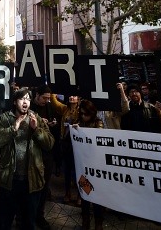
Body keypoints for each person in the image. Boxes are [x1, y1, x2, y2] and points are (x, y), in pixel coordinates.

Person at [0, 87, 54, 230]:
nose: (25, 102)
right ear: (14, 102)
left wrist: (36, 130)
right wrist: (13, 128)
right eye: (22, 99)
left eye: (28, 99)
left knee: (28, 223)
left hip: (31, 181)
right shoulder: (5, 119)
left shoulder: (36, 118)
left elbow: (49, 144)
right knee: (4, 222)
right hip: (10, 180)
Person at [29, 85, 59, 230]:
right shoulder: (28, 108)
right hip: (32, 153)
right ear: (37, 95)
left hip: (47, 153)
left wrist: (52, 124)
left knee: (43, 186)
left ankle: (39, 215)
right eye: (44, 98)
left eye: (49, 98)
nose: (47, 101)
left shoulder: (49, 107)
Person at [72, 100, 104, 230]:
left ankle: (98, 224)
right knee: (85, 196)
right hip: (83, 167)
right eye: (81, 113)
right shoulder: (79, 123)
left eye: (86, 114)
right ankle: (85, 223)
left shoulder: (98, 124)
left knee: (97, 198)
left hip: (96, 167)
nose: (83, 116)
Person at [49, 92, 80, 203]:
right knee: (67, 169)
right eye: (71, 95)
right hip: (66, 143)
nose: (72, 96)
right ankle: (67, 193)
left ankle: (80, 195)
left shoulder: (81, 111)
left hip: (78, 144)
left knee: (78, 170)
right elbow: (55, 103)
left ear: (78, 98)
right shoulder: (65, 109)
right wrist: (53, 92)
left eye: (74, 95)